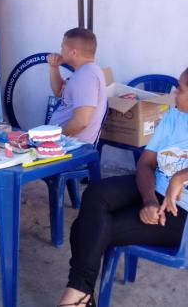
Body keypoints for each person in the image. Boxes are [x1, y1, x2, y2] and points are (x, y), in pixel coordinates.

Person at [57, 67, 188, 307]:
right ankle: (81, 294)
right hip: (155, 190)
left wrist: (181, 176)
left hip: (181, 215)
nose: (174, 92)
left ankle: (77, 296)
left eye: (180, 89)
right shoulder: (174, 116)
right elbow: (146, 163)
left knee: (86, 229)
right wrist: (149, 200)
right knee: (96, 194)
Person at [47, 28, 107, 144]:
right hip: (65, 142)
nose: (60, 51)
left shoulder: (86, 76)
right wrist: (54, 67)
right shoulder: (84, 72)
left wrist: (52, 140)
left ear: (73, 52)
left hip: (70, 147)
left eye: (62, 48)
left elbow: (82, 121)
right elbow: (59, 92)